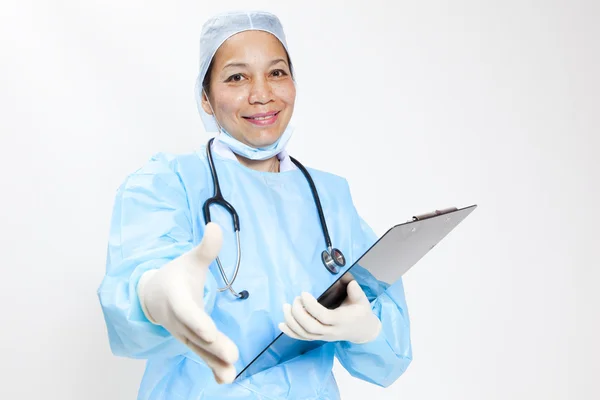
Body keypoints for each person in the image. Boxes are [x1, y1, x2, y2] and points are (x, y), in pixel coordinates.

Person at [97, 10, 412, 400]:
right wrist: (157, 294)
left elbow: (389, 356)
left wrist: (368, 330)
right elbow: (134, 286)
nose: (262, 93)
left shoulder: (329, 198)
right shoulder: (167, 183)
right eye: (236, 77)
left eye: (277, 72)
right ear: (206, 98)